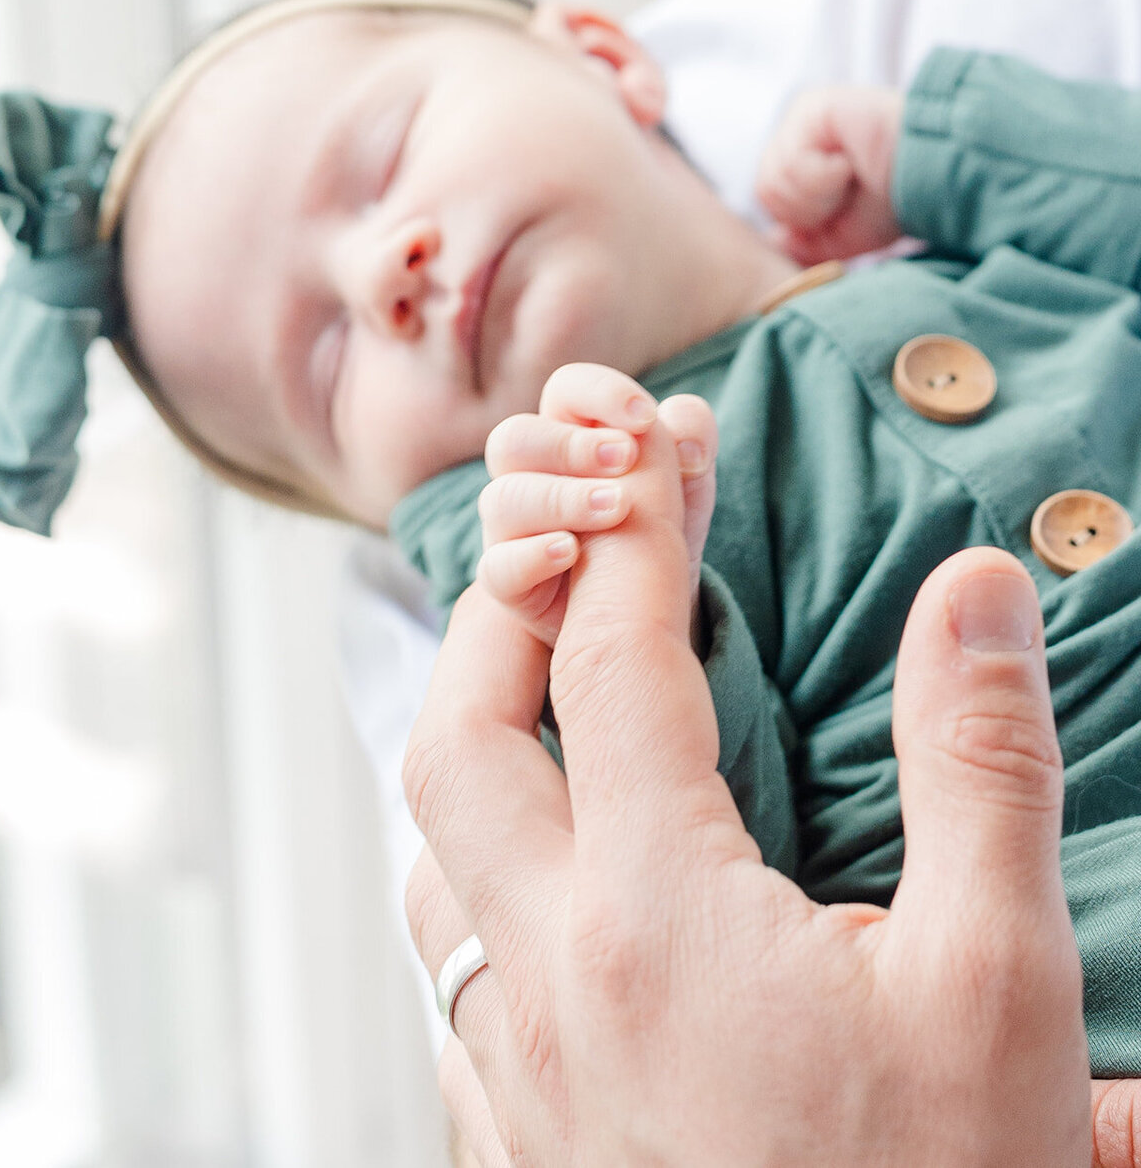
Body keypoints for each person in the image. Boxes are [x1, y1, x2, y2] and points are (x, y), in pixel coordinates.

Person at [0, 0, 1141, 1079]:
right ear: (396, 503)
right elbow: (707, 916)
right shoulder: (589, 583)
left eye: (384, 160)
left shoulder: (962, 245)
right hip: (1072, 926)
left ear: (602, 58)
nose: (385, 272)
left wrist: (953, 148)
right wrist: (635, 630)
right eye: (327, 364)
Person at [403, 462, 1135, 1164]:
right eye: (333, 370)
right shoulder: (521, 562)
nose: (388, 323)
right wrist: (671, 645)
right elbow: (707, 950)